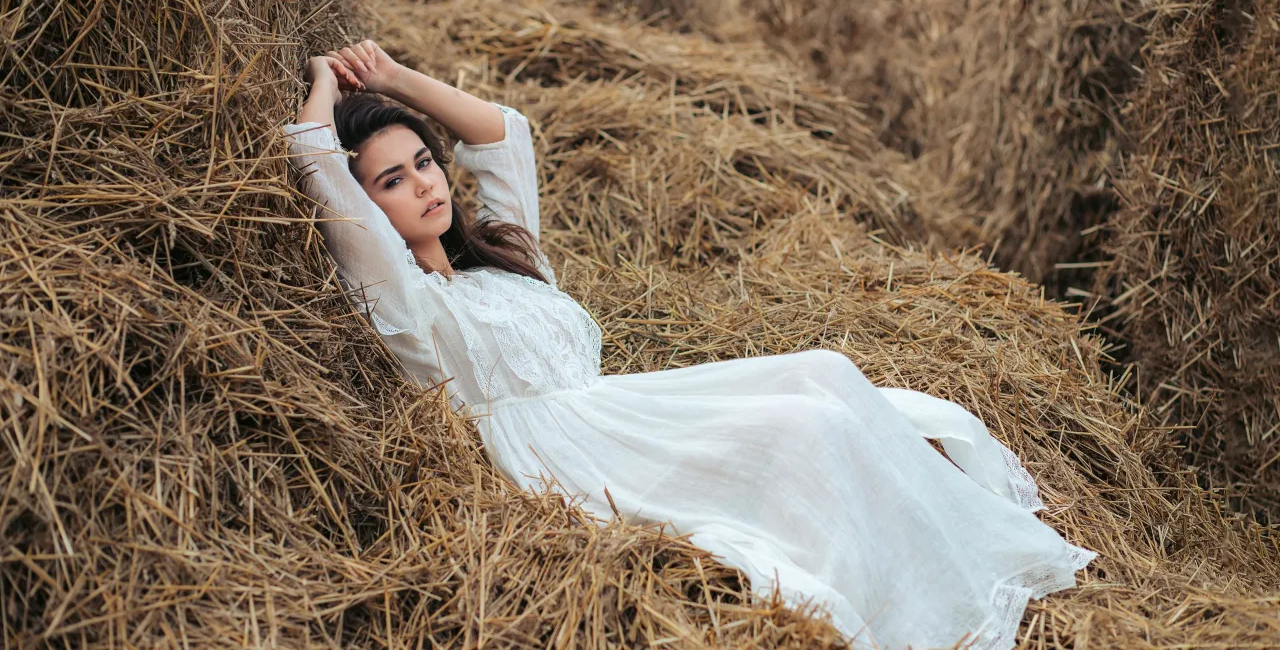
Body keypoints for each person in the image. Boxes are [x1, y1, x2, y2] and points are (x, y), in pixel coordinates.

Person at [282, 40, 1096, 650]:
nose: (427, 183)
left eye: (424, 162)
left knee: (827, 370)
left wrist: (388, 78)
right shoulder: (410, 308)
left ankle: (947, 552)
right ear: (366, 201)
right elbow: (319, 165)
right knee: (809, 430)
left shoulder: (499, 262)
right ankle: (909, 610)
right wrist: (325, 86)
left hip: (628, 413)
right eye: (393, 180)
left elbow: (502, 135)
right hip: (572, 462)